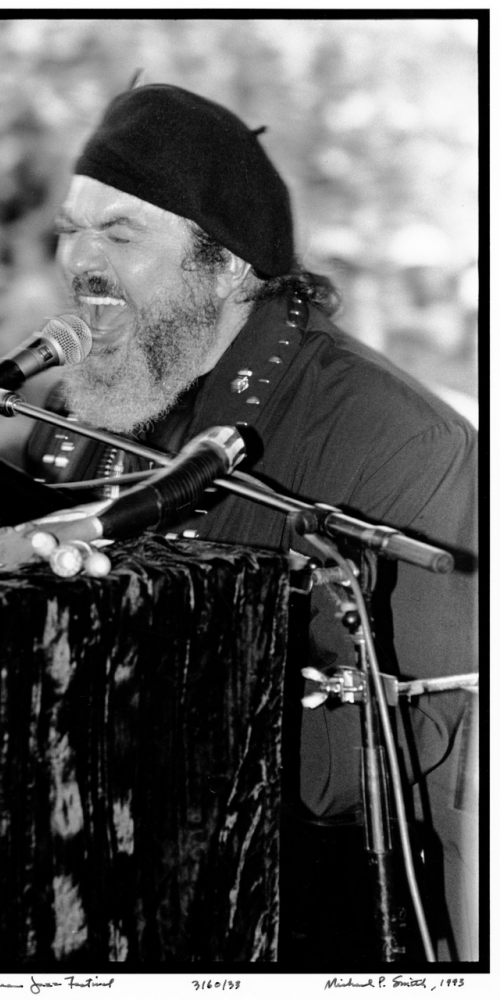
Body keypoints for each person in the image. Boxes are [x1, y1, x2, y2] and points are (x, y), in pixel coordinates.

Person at [25, 84, 478, 962]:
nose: (80, 260)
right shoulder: (71, 407)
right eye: (70, 229)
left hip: (298, 918)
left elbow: (409, 766)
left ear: (228, 265)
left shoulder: (398, 441)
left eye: (119, 234)